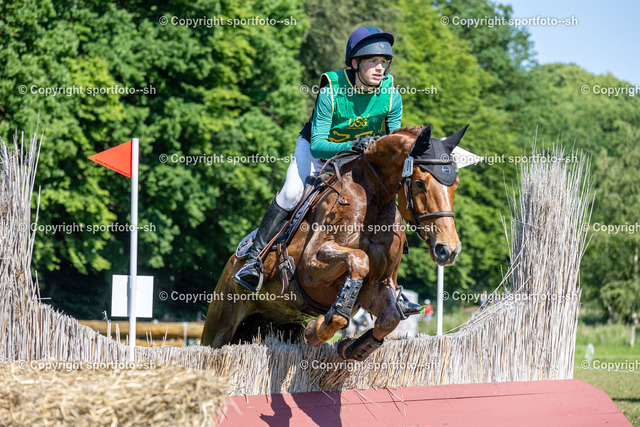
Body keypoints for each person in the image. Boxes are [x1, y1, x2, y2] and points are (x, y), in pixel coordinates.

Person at [233, 26, 421, 316]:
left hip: (358, 160)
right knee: (291, 192)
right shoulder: (331, 90)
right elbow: (319, 144)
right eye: (372, 61)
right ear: (355, 63)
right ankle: (254, 261)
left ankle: (391, 286)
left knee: (386, 206)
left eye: (384, 62)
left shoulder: (392, 96)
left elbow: (394, 144)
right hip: (317, 152)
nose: (380, 68)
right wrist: (353, 144)